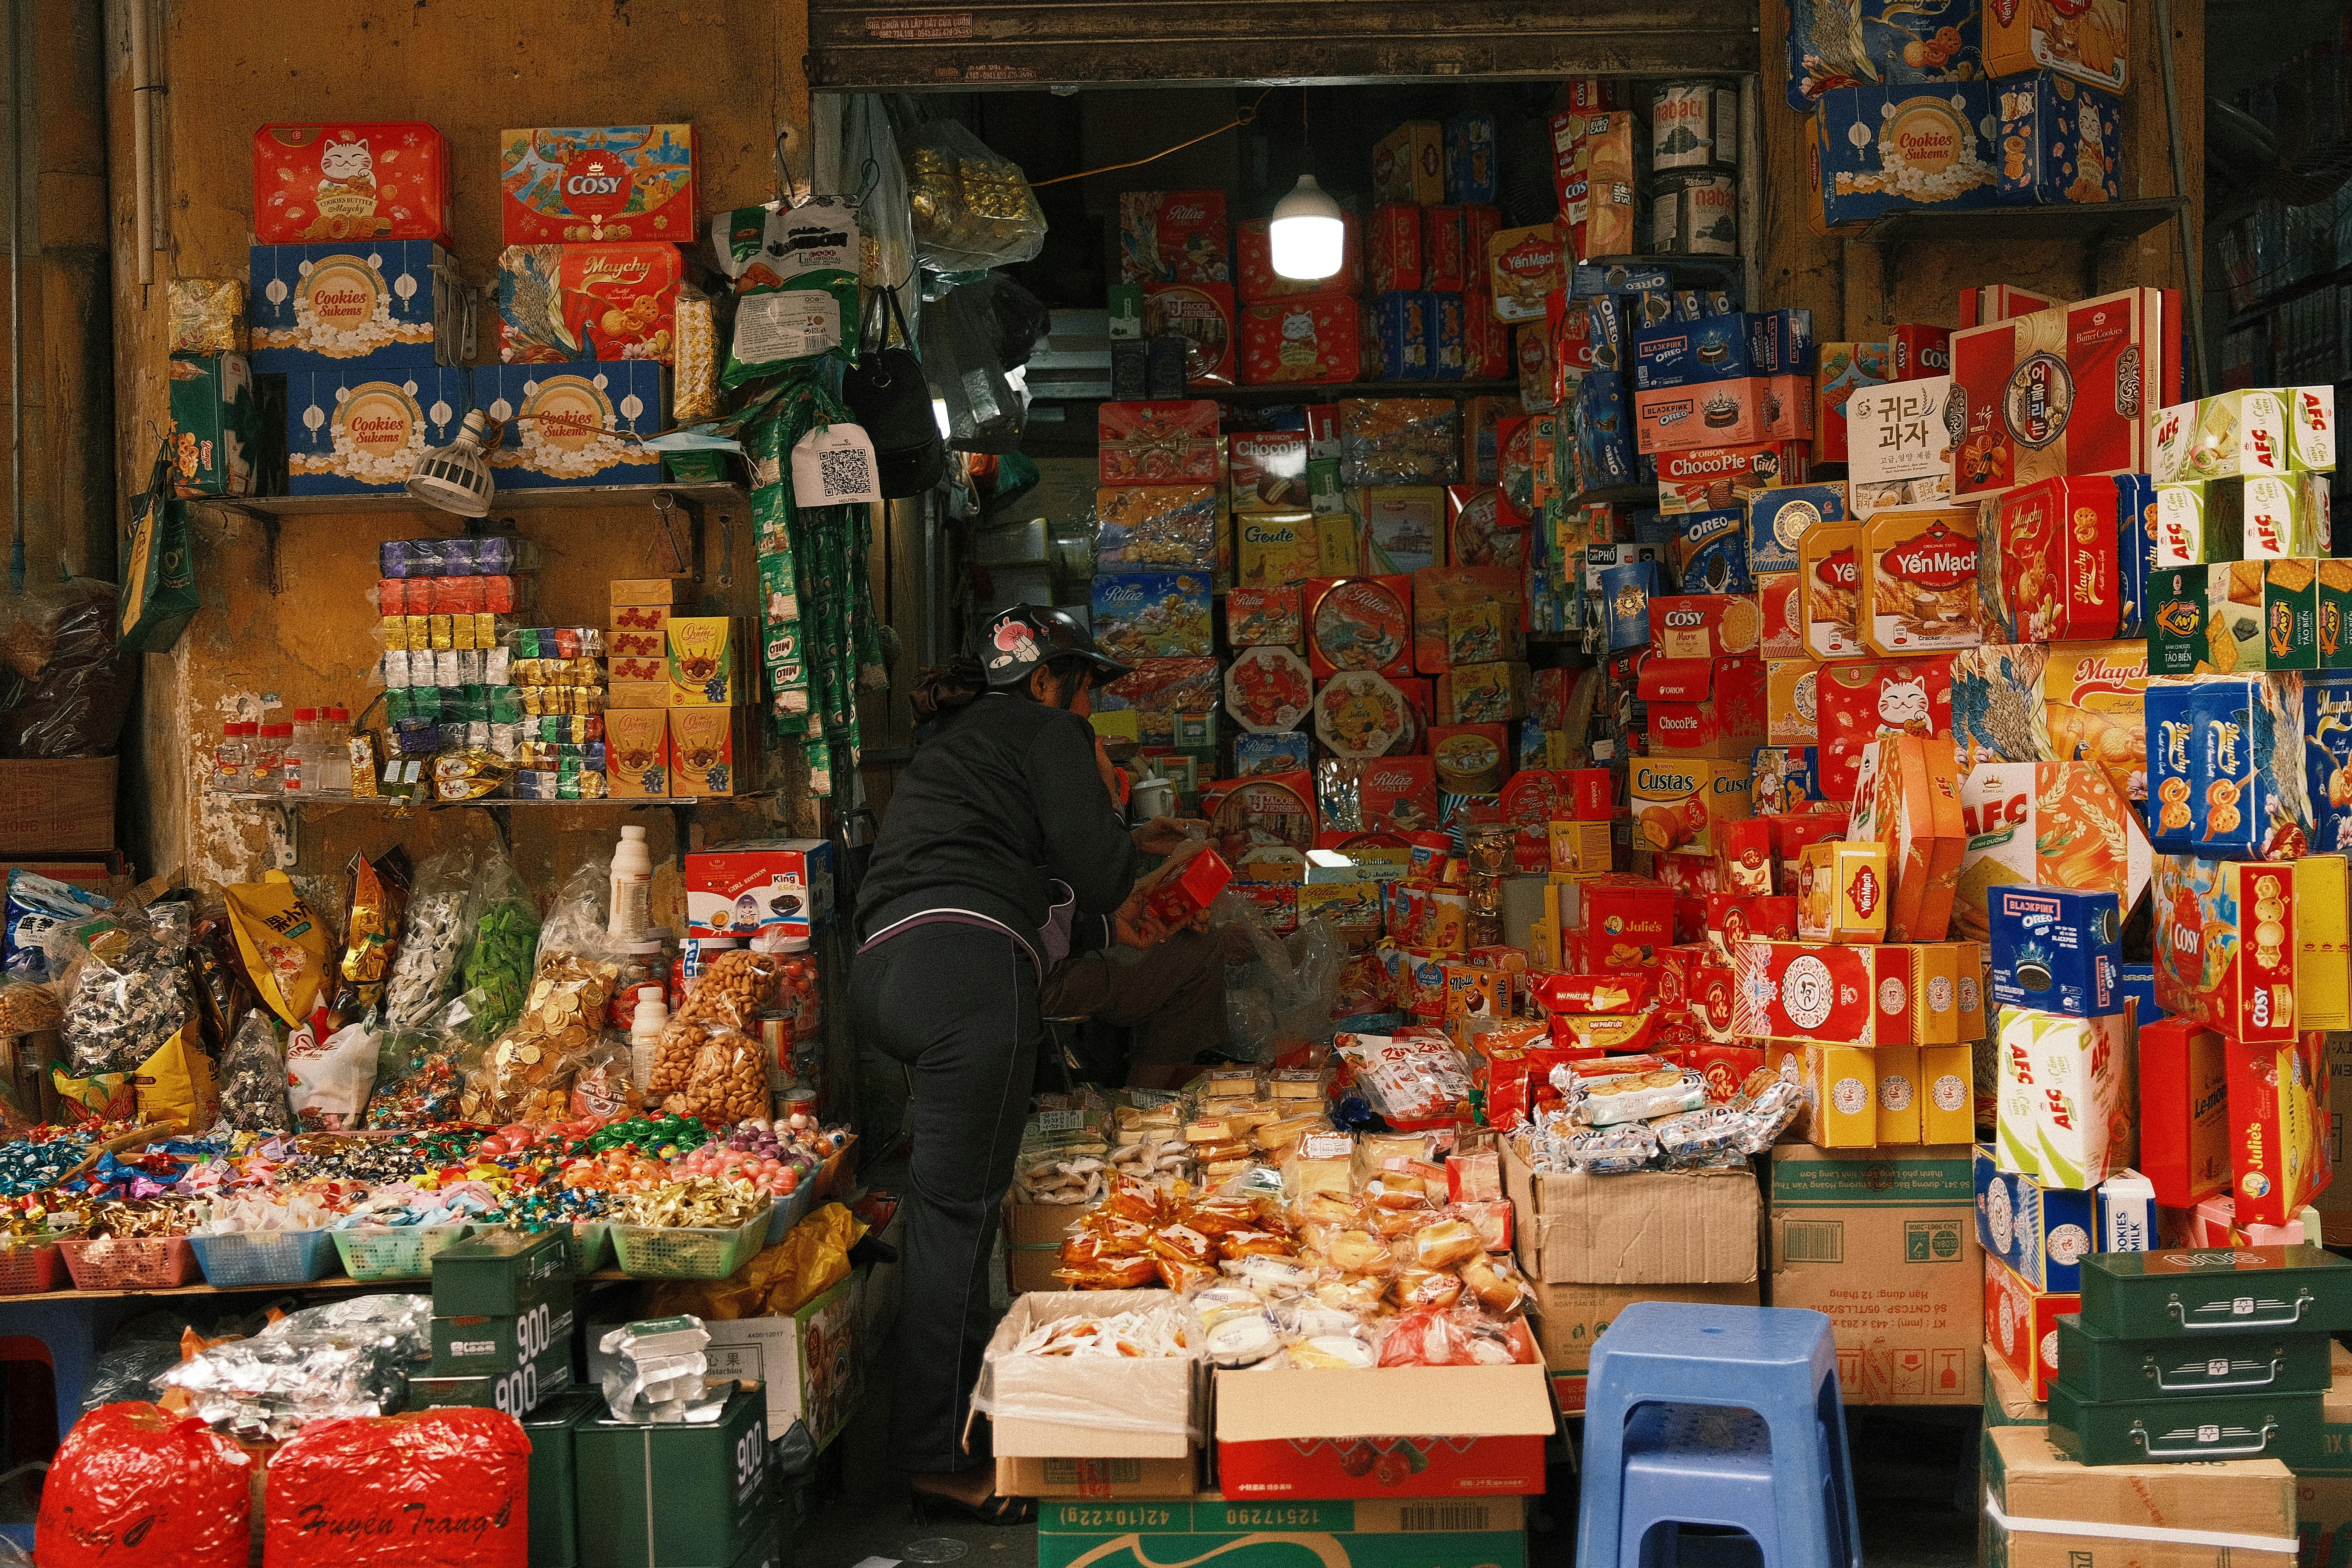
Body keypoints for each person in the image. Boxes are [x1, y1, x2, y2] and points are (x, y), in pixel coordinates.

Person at [850, 605, 1199, 1522]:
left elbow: (1018, 879)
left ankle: (955, 1419)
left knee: (945, 1199)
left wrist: (1102, 897)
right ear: (1049, 679)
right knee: (955, 1219)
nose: (1087, 707)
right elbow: (1098, 864)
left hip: (886, 973)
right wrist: (1133, 854)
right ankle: (935, 1456)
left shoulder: (953, 742)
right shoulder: (1048, 730)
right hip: (970, 976)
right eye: (1084, 687)